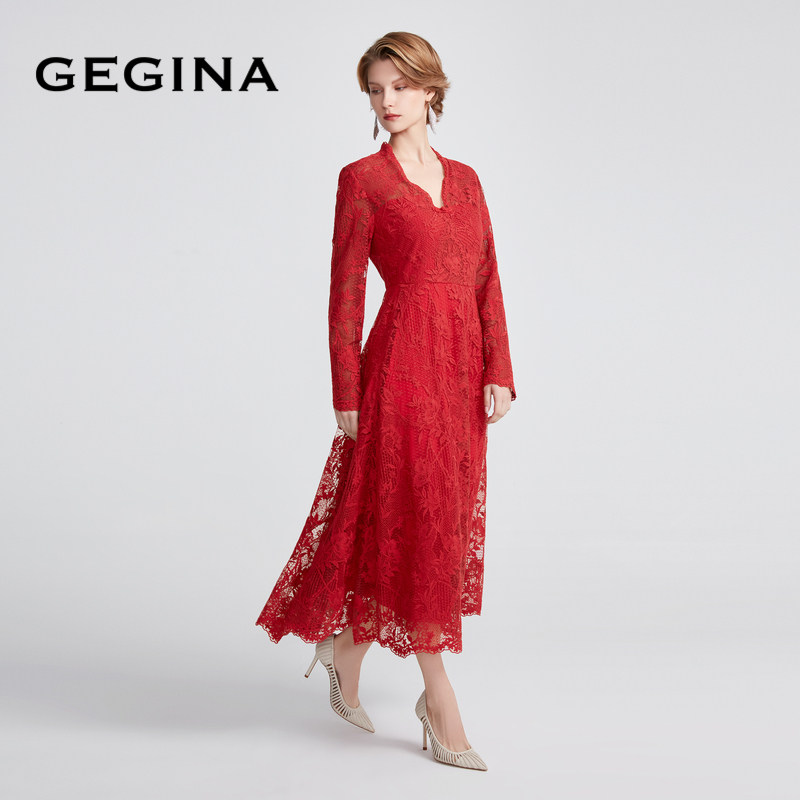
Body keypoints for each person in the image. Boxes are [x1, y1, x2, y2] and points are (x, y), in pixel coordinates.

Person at [255, 31, 516, 771]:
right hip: (398, 367)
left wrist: (499, 367)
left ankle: (344, 648)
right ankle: (439, 700)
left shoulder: (467, 180)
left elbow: (487, 277)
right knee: (409, 515)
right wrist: (346, 387)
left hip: (460, 374)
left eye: (399, 86)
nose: (386, 101)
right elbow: (344, 292)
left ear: (431, 89)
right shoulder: (363, 179)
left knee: (434, 519)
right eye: (375, 89)